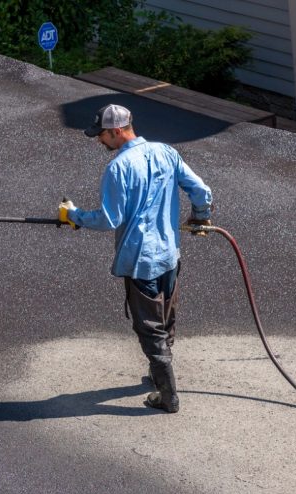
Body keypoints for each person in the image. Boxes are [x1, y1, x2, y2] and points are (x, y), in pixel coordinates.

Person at [58, 104, 213, 413]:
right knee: (165, 318)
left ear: (116, 131)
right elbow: (201, 190)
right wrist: (200, 217)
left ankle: (167, 395)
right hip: (170, 255)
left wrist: (73, 215)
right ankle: (160, 373)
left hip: (141, 260)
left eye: (101, 135)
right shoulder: (165, 152)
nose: (99, 141)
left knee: (149, 328)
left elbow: (108, 219)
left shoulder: (119, 167)